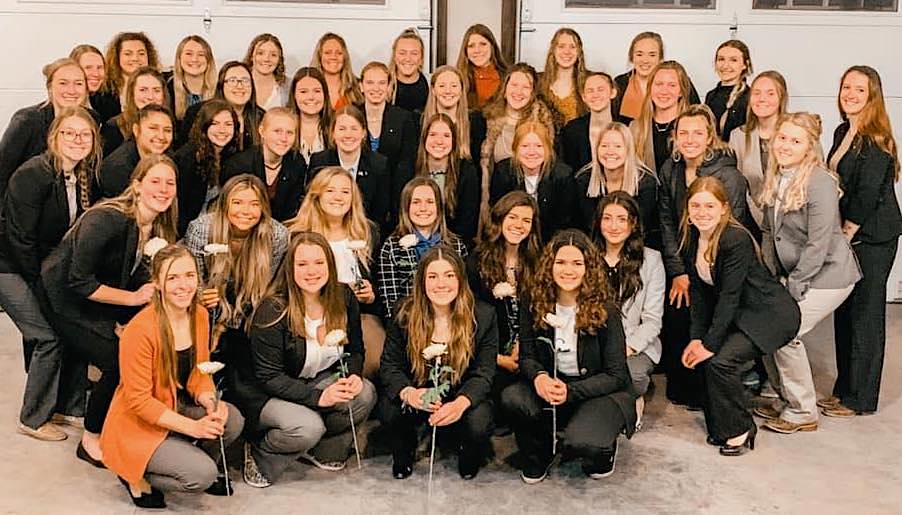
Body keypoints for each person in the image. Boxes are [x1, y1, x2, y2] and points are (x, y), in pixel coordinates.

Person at [41, 153, 178, 467]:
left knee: (137, 348)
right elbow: (78, 281)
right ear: (137, 185)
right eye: (155, 181)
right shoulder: (108, 218)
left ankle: (125, 425)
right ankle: (90, 439)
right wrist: (129, 303)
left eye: (170, 183)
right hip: (64, 300)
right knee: (118, 359)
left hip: (102, 301)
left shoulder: (158, 227)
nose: (163, 189)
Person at [100, 244, 244, 508]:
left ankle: (181, 455)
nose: (183, 285)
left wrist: (210, 401)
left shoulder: (199, 315)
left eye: (189, 275)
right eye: (172, 278)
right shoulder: (140, 330)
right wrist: (193, 427)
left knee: (231, 419)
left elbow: (200, 372)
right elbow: (140, 402)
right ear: (157, 283)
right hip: (139, 422)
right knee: (201, 476)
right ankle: (136, 472)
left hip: (175, 404)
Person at [236, 232, 375, 487]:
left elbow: (355, 349)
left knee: (364, 394)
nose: (312, 271)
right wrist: (318, 398)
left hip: (317, 378)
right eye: (302, 264)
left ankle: (321, 449)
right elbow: (269, 377)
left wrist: (353, 374)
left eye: (319, 263)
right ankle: (260, 453)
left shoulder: (344, 297)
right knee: (306, 427)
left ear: (330, 266)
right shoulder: (273, 309)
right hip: (267, 391)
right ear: (290, 268)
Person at [754, 112, 860, 434]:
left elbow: (820, 243)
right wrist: (772, 280)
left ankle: (802, 411)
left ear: (809, 147)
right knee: (768, 324)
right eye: (782, 138)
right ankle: (783, 395)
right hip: (794, 273)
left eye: (795, 141)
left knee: (786, 331)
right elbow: (770, 234)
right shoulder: (777, 175)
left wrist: (795, 284)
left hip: (830, 276)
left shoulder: (820, 182)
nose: (786, 145)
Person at [503, 229, 635, 483]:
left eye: (577, 263)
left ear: (589, 268)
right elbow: (527, 357)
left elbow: (616, 375)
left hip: (597, 390)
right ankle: (537, 452)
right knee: (512, 398)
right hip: (551, 384)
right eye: (560, 262)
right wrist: (540, 377)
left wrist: (572, 392)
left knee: (583, 442)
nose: (568, 270)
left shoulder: (606, 309)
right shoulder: (533, 301)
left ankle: (603, 451)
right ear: (549, 266)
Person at [679, 177, 800, 455]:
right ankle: (723, 427)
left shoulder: (735, 239)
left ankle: (741, 428)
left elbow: (729, 296)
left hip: (768, 315)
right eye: (695, 205)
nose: (701, 212)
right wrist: (697, 338)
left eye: (709, 206)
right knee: (707, 361)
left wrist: (709, 345)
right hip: (739, 315)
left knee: (721, 360)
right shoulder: (691, 239)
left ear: (724, 208)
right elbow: (698, 297)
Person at [0, 107, 100, 441]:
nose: (77, 140)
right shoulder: (34, 174)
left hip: (41, 267)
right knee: (47, 336)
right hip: (10, 268)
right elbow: (20, 239)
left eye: (84, 134)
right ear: (53, 137)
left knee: (70, 328)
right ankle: (33, 418)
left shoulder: (78, 173)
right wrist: (42, 287)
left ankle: (68, 408)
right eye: (69, 133)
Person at [657, 104, 753, 410]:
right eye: (683, 132)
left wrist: (702, 271)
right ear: (674, 136)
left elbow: (732, 228)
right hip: (683, 261)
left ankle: (708, 393)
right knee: (678, 315)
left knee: (710, 320)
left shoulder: (728, 176)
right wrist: (678, 272)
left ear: (710, 136)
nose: (690, 139)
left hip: (716, 263)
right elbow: (666, 222)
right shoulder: (670, 168)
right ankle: (683, 388)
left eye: (697, 133)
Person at [379, 246, 497, 479]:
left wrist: (460, 403)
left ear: (460, 280)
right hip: (420, 392)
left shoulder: (483, 316)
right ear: (422, 281)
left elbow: (484, 373)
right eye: (433, 276)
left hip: (459, 393)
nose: (441, 284)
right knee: (389, 408)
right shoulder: (404, 313)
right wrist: (409, 393)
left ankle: (467, 450)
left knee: (479, 420)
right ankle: (406, 448)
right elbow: (390, 366)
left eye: (449, 275)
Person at [825, 65, 902, 417]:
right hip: (848, 236)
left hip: (872, 238)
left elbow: (868, 192)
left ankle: (861, 399)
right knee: (845, 312)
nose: (850, 95)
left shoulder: (876, 137)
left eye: (859, 90)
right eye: (846, 88)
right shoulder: (844, 130)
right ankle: (844, 390)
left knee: (866, 316)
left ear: (873, 97)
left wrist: (847, 232)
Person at [183, 174, 290, 376]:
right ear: (225, 205)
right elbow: (195, 281)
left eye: (254, 204)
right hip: (209, 308)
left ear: (263, 208)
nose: (246, 211)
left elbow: (269, 286)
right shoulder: (201, 230)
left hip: (251, 307)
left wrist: (233, 323)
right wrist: (202, 298)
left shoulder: (277, 235)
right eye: (238, 202)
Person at [286, 167, 383, 378]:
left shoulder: (368, 232)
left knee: (374, 361)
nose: (338, 197)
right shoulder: (296, 235)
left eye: (345, 192)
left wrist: (371, 295)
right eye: (330, 190)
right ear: (317, 195)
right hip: (310, 315)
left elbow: (378, 286)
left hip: (357, 315)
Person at [466, 191, 540, 428]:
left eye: (526, 221)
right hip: (490, 356)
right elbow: (467, 319)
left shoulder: (538, 261)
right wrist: (498, 358)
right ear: (499, 218)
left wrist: (525, 348)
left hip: (529, 352)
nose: (519, 225)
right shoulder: (476, 262)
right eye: (513, 217)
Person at [595, 192, 665, 429]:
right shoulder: (588, 257)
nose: (613, 226)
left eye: (621, 219)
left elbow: (653, 321)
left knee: (633, 377)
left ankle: (633, 398)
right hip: (594, 341)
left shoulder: (651, 260)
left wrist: (628, 346)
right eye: (607, 218)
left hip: (634, 344)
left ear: (633, 223)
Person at [0, 58, 91, 203]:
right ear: (50, 87)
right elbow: (2, 172)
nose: (72, 90)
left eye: (78, 84)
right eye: (63, 83)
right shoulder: (27, 121)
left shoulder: (90, 120)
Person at [378, 177, 468, 317]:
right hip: (409, 320)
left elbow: (463, 291)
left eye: (430, 202)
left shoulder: (455, 245)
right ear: (406, 207)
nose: (423, 208)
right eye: (416, 202)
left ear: (438, 207)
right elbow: (391, 300)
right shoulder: (392, 246)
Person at [480, 64, 555, 230]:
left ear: (533, 92)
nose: (519, 92)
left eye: (526, 87)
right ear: (504, 88)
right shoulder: (486, 120)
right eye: (514, 85)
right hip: (497, 201)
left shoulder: (543, 124)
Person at [575, 122, 660, 249]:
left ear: (628, 150)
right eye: (604, 146)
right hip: (594, 249)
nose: (610, 151)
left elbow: (640, 229)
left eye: (618, 146)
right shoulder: (583, 180)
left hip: (636, 248)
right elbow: (588, 228)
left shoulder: (645, 183)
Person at [309, 105, 391, 233]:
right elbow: (313, 203)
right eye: (342, 129)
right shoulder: (320, 161)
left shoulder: (378, 164)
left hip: (365, 232)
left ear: (364, 133)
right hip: (324, 230)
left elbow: (379, 213)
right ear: (333, 133)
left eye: (354, 129)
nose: (348, 135)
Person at [488, 120, 575, 242]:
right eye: (525, 146)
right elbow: (497, 215)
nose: (531, 152)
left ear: (548, 150)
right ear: (515, 149)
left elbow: (564, 222)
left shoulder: (563, 176)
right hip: (510, 239)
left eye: (538, 146)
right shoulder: (503, 173)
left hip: (550, 241)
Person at [222, 107, 308, 222]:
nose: (284, 138)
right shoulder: (239, 164)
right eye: (277, 131)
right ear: (262, 131)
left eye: (289, 133)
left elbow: (291, 212)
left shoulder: (296, 163)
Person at [729, 71, 788, 227]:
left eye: (770, 93)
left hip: (793, 223)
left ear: (781, 98)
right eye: (756, 93)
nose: (762, 99)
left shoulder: (798, 133)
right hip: (751, 222)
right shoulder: (737, 137)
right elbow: (736, 186)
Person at [172, 99, 239, 235]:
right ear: (204, 126)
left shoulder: (233, 157)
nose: (222, 130)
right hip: (188, 231)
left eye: (228, 124)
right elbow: (181, 208)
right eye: (215, 123)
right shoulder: (188, 158)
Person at [359, 61, 418, 216]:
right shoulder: (351, 115)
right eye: (370, 82)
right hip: (357, 197)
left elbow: (407, 163)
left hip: (392, 200)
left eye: (382, 83)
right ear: (361, 86)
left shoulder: (403, 118)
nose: (376, 88)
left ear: (389, 86)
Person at [416, 113, 480, 246]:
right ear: (424, 139)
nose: (439, 141)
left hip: (454, 246)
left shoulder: (466, 172)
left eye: (446, 136)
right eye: (433, 135)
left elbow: (467, 223)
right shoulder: (409, 168)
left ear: (454, 141)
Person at [612, 32, 700, 125]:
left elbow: (698, 116)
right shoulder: (620, 83)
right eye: (639, 54)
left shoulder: (679, 79)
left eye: (652, 55)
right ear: (631, 57)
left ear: (660, 58)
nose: (645, 60)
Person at [180, 61, 264, 152]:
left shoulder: (261, 117)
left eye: (245, 81)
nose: (240, 86)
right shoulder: (197, 111)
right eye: (232, 80)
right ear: (221, 85)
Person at [97, 104, 174, 199]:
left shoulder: (170, 159)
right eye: (153, 128)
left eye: (167, 130)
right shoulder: (117, 168)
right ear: (136, 130)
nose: (161, 136)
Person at [630, 61, 693, 172]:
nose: (664, 91)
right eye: (659, 84)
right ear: (650, 88)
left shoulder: (693, 126)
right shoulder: (635, 128)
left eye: (672, 85)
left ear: (681, 92)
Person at [422, 65, 487, 163]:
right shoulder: (419, 120)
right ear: (433, 90)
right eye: (442, 86)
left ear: (461, 90)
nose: (448, 91)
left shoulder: (476, 121)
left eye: (454, 86)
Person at [100, 66, 168, 155]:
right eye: (143, 90)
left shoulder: (169, 124)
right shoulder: (114, 127)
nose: (150, 96)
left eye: (156, 90)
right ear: (132, 93)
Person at [560, 71, 618, 173]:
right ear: (584, 97)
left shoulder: (628, 126)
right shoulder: (571, 130)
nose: (595, 95)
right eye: (590, 91)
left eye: (601, 89)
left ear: (613, 93)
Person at [704, 40, 752, 142]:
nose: (725, 66)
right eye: (721, 59)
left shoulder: (750, 97)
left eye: (733, 60)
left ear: (745, 64)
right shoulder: (711, 96)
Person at [538, 28, 588, 125]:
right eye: (561, 46)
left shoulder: (589, 82)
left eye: (573, 47)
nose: (567, 52)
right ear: (553, 50)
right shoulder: (538, 81)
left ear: (579, 52)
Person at [456, 24, 509, 110]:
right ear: (465, 51)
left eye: (483, 44)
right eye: (471, 46)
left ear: (492, 47)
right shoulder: (457, 78)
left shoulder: (508, 77)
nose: (477, 50)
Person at [104, 32, 160, 109]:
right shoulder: (105, 90)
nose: (135, 58)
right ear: (117, 57)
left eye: (141, 53)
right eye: (128, 54)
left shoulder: (162, 84)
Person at [289, 67, 333, 164]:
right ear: (294, 95)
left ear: (325, 94)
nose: (311, 97)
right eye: (303, 92)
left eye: (317, 91)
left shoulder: (336, 127)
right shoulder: (284, 127)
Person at [167, 35, 216, 121]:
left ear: (208, 60)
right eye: (189, 53)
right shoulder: (167, 89)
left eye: (201, 54)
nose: (194, 59)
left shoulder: (219, 91)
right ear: (179, 58)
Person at [70, 44, 120, 123]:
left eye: (100, 67)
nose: (96, 74)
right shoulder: (57, 107)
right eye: (88, 68)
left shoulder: (108, 102)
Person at [312, 33, 362, 110]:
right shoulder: (309, 86)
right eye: (328, 53)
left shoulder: (358, 87)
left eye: (339, 53)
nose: (333, 57)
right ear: (319, 56)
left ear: (345, 57)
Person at [389, 28, 429, 115]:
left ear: (421, 58)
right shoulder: (383, 86)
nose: (408, 59)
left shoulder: (431, 85)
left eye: (414, 53)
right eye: (402, 53)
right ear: (394, 56)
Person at [244, 34, 288, 111]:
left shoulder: (289, 86)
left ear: (279, 60)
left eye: (273, 55)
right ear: (251, 56)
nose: (266, 59)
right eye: (260, 53)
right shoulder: (239, 84)